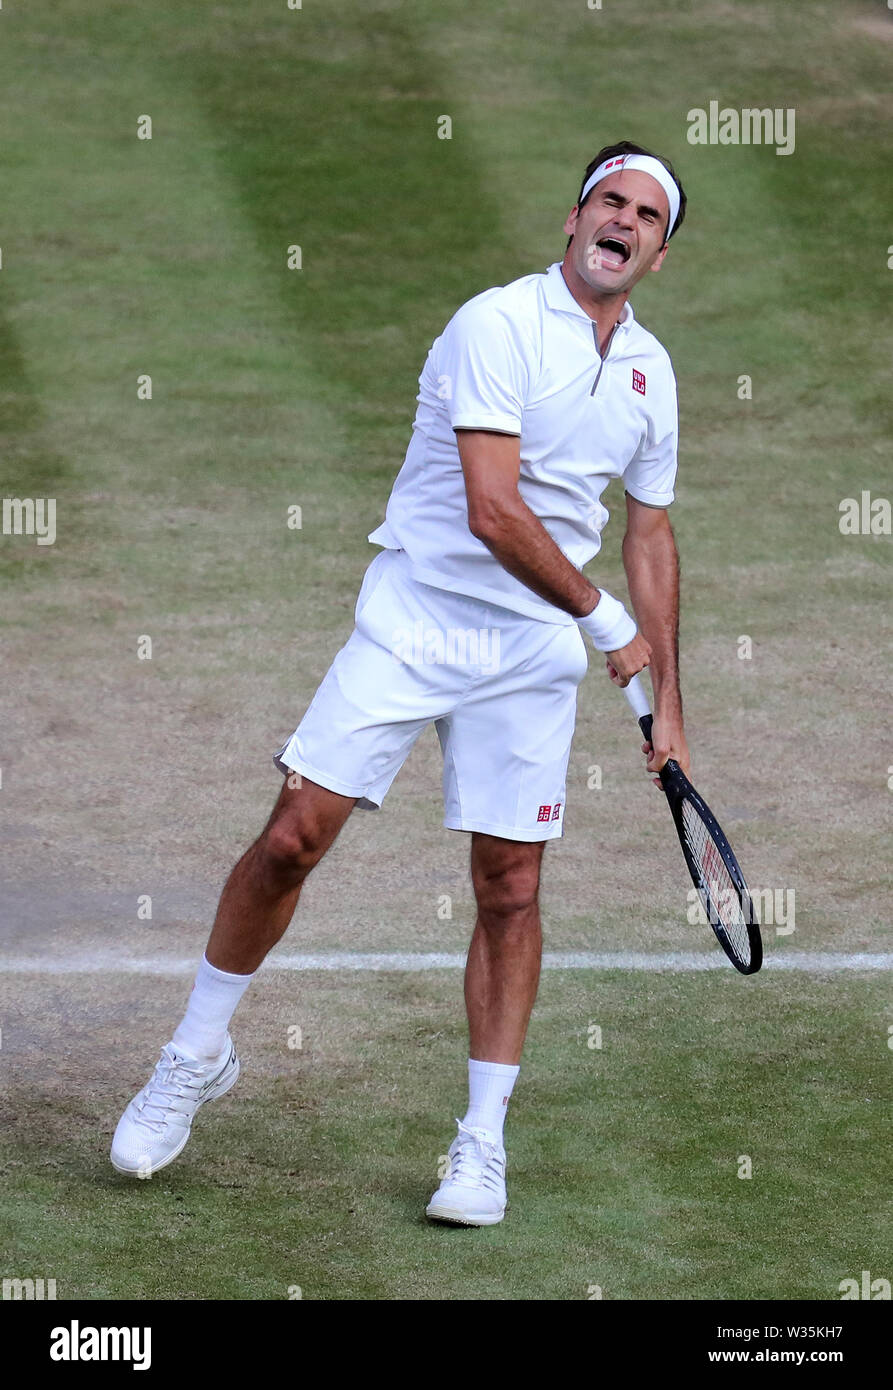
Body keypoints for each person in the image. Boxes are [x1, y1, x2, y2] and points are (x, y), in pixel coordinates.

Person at [111, 140, 691, 1228]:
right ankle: (193, 1054)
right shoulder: (495, 324)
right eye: (605, 202)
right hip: (417, 617)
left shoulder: (652, 376)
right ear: (569, 224)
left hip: (528, 659)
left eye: (644, 215)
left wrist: (670, 708)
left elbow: (650, 537)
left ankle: (480, 1144)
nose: (621, 221)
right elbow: (492, 509)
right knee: (293, 834)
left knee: (509, 887)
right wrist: (602, 616)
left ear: (656, 255)